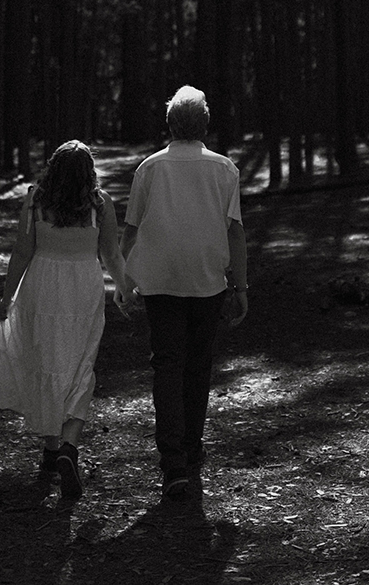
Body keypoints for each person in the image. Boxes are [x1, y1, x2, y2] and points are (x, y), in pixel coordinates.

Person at [0, 140, 129, 500]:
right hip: (83, 289)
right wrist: (125, 289)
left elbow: (22, 250)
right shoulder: (99, 204)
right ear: (89, 172)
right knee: (80, 365)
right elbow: (110, 252)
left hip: (43, 286)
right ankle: (67, 447)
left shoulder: (36, 201)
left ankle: (51, 448)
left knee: (45, 361)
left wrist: (6, 296)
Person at [118, 85, 248, 500]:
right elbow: (236, 231)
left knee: (168, 365)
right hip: (208, 279)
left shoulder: (149, 169)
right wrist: (241, 285)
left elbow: (132, 229)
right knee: (198, 365)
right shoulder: (224, 169)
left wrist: (123, 281)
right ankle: (190, 449)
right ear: (205, 123)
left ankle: (173, 461)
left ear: (170, 123)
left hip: (161, 281)